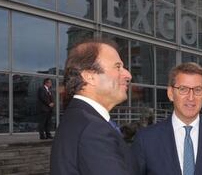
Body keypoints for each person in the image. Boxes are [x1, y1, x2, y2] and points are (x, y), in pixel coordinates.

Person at [50, 38, 137, 175]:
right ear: (90, 77)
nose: (128, 75)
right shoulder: (94, 130)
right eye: (118, 67)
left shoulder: (79, 119)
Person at [132, 62, 202, 175]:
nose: (191, 97)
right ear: (170, 93)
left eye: (197, 90)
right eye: (183, 89)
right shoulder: (145, 140)